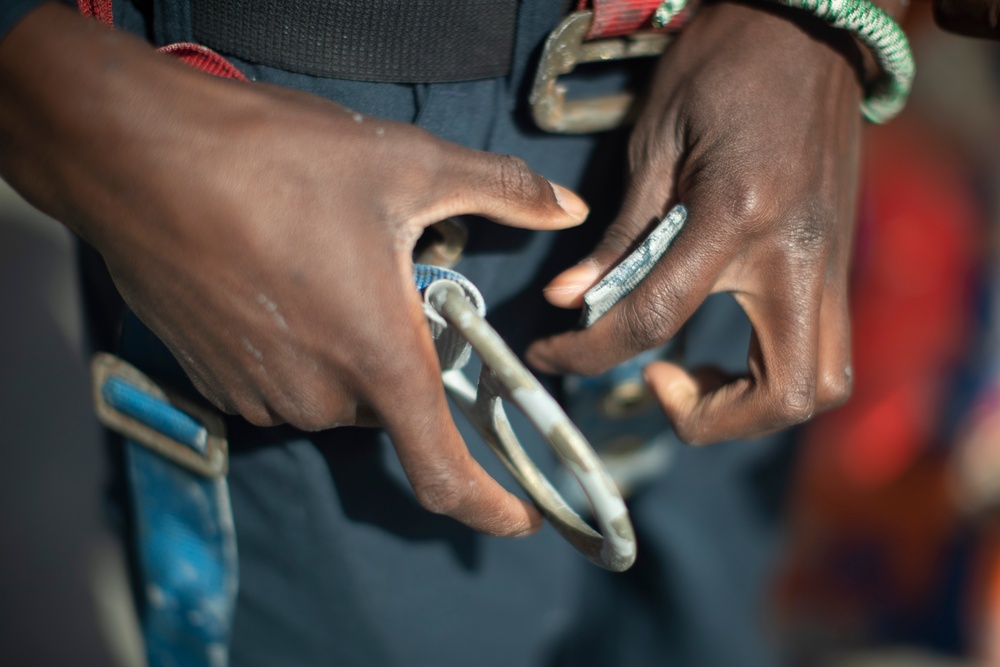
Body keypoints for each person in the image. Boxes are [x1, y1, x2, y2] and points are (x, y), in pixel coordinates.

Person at [0, 0, 907, 664]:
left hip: (732, 122)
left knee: (706, 630)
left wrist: (826, 19)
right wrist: (68, 105)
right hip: (311, 179)